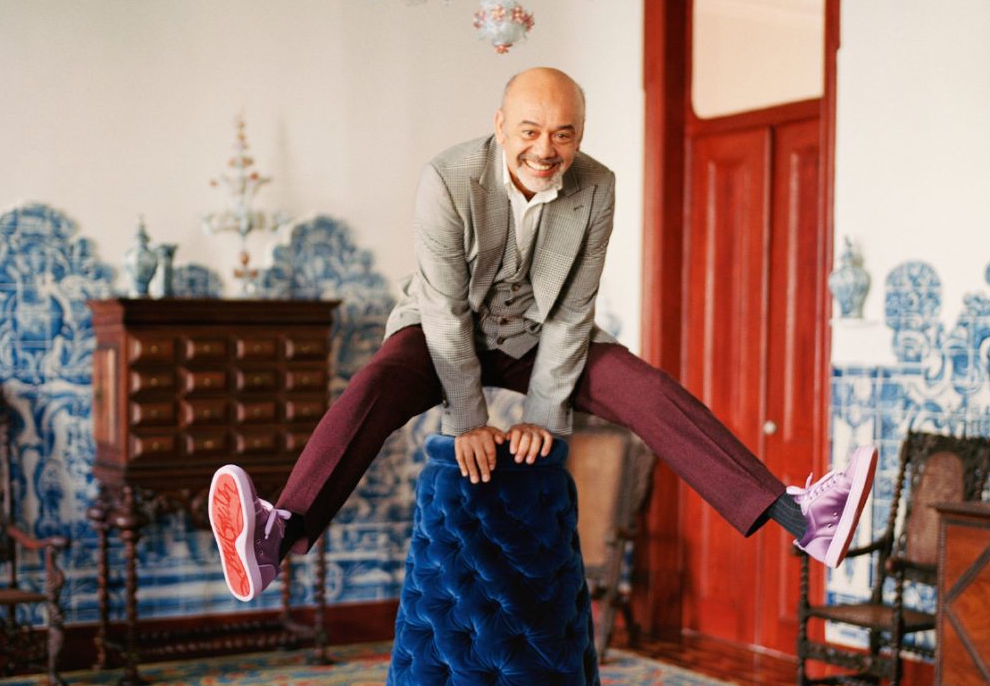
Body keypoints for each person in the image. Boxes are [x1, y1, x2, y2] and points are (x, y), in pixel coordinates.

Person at [207, 67, 876, 602]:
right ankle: (276, 536)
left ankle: (802, 520)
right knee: (377, 383)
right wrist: (470, 419)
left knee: (645, 389)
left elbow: (573, 311)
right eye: (529, 130)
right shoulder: (446, 179)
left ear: (580, 135)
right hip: (443, 328)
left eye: (564, 134)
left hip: (540, 339)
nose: (545, 149)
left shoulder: (598, 187)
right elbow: (444, 309)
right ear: (500, 125)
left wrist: (544, 417)